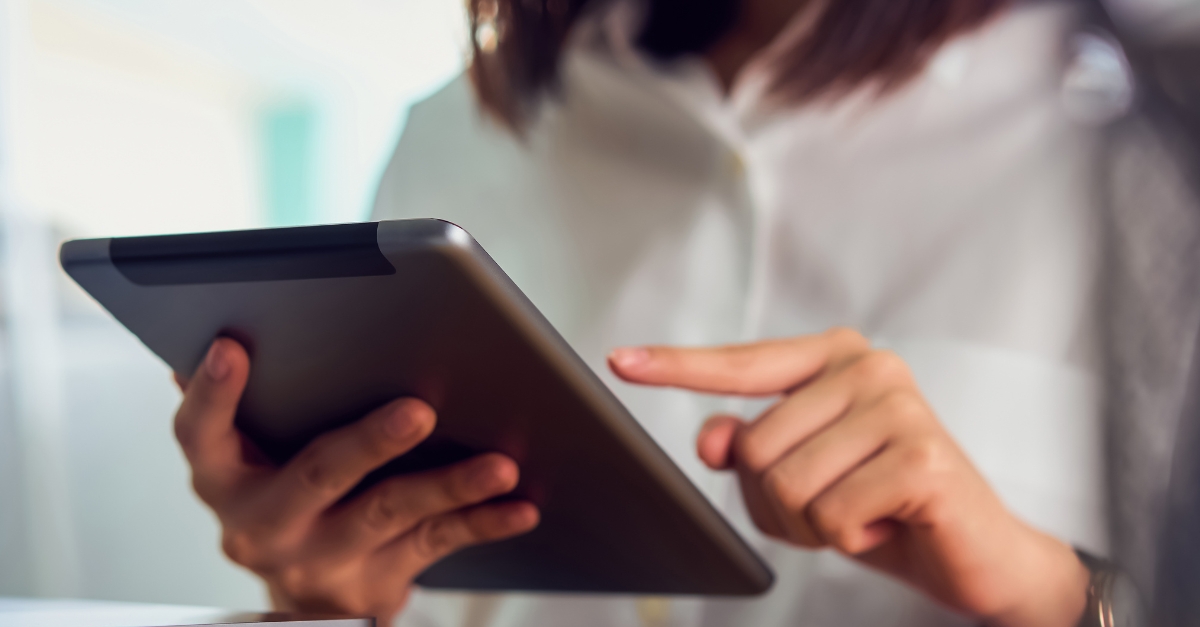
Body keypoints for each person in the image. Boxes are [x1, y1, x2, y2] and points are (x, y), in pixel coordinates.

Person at [171, 0, 1127, 625]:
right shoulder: (450, 141)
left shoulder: (1143, 133)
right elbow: (387, 594)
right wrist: (318, 599)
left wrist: (1057, 600)